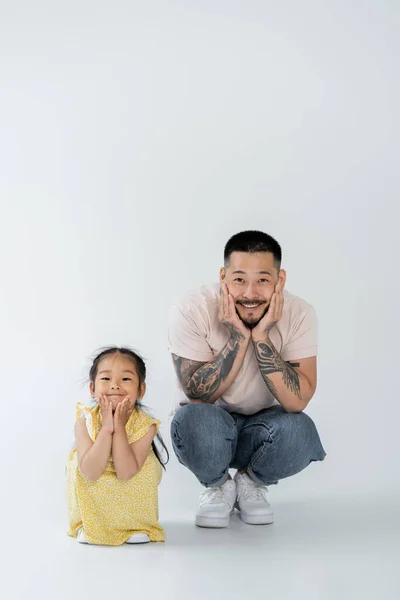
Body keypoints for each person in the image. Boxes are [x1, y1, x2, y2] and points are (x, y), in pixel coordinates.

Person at [169, 230, 326, 528]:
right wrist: (240, 336)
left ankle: (248, 483)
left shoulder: (300, 313)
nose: (250, 293)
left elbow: (297, 401)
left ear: (280, 280)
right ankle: (219, 487)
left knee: (301, 432)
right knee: (196, 420)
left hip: (264, 427)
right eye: (239, 279)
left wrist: (262, 335)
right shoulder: (192, 309)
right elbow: (198, 395)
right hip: (208, 425)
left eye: (263, 280)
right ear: (223, 276)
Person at [66, 347, 168, 545]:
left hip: (129, 476)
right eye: (105, 379)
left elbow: (125, 472)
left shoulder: (145, 425)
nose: (115, 386)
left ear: (141, 390)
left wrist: (119, 428)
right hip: (93, 477)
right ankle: (89, 524)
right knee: (77, 465)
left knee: (144, 468)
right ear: (92, 389)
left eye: (126, 379)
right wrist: (106, 429)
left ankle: (135, 525)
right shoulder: (84, 421)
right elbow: (91, 472)